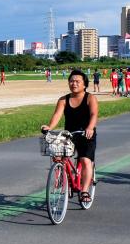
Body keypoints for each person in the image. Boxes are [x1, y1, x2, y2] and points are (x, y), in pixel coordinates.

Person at [41, 69, 99, 204]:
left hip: (86, 134)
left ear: (84, 84)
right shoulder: (63, 99)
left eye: (77, 81)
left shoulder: (90, 98)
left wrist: (90, 127)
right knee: (58, 157)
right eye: (71, 81)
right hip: (69, 134)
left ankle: (84, 190)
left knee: (85, 161)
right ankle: (65, 180)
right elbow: (57, 115)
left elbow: (94, 115)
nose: (74, 84)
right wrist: (50, 127)